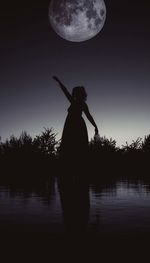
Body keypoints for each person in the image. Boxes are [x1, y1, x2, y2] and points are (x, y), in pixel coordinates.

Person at [53, 76, 99, 162]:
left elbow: (89, 116)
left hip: (74, 124)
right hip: (74, 123)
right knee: (72, 144)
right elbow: (65, 90)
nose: (73, 93)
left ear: (77, 94)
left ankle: (75, 163)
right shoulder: (78, 102)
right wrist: (59, 81)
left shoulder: (77, 102)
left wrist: (95, 126)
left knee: (73, 144)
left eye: (74, 92)